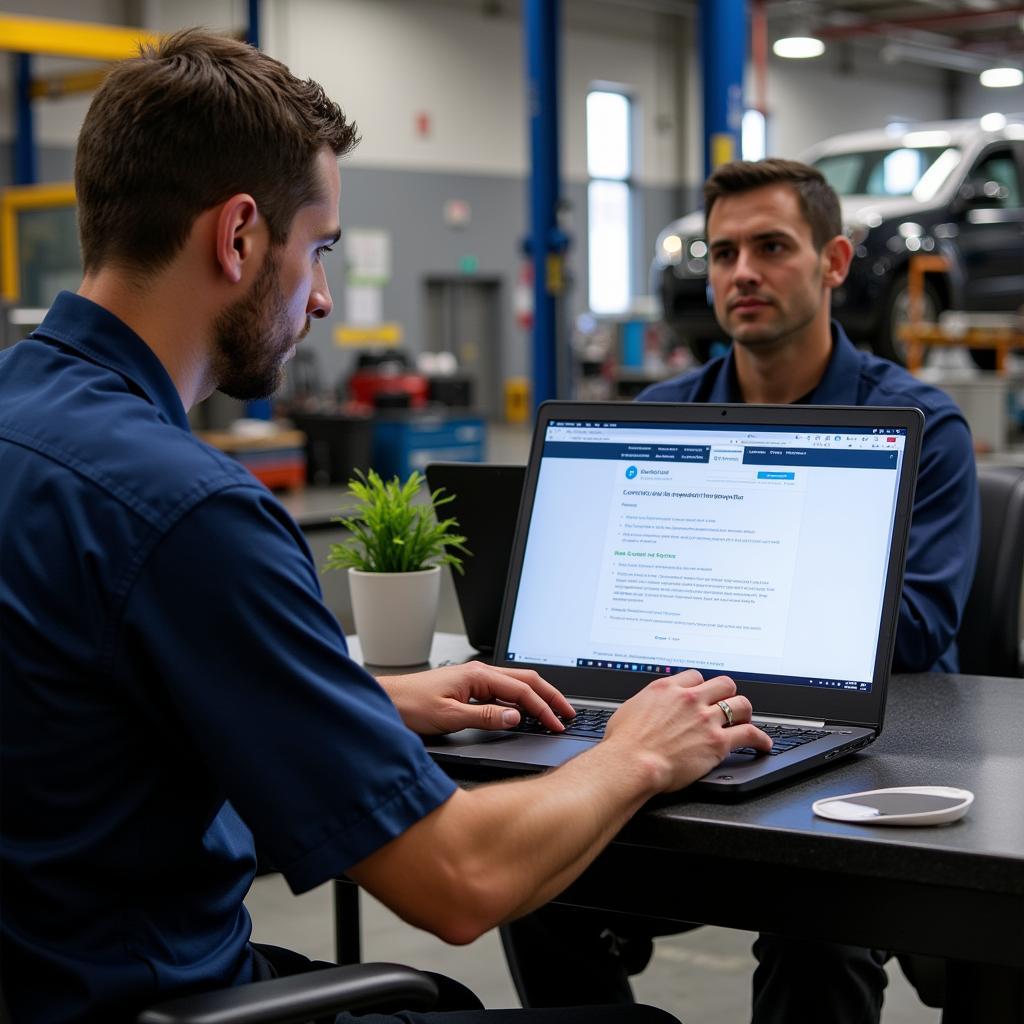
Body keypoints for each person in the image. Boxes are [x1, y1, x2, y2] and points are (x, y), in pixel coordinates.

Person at [0, 29, 776, 1024]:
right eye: (317, 249)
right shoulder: (190, 512)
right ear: (238, 236)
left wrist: (365, 698)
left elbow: (88, 700)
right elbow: (456, 881)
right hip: (147, 994)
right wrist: (640, 750)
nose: (322, 297)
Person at [501, 158, 980, 1023]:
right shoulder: (660, 413)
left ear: (834, 262)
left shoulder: (922, 428)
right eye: (723, 253)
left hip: (855, 758)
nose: (741, 273)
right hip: (673, 733)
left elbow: (913, 631)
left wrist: (707, 618)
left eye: (770, 247)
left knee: (816, 928)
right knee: (536, 878)